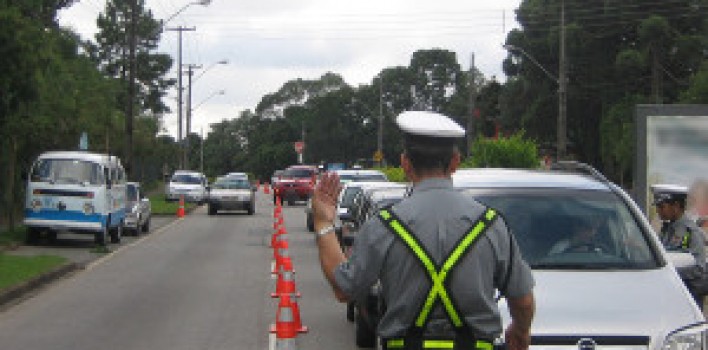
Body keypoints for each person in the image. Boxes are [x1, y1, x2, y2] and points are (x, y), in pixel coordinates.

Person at [312, 111, 536, 350]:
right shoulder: (492, 224)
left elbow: (344, 289)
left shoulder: (384, 224)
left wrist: (324, 223)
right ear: (455, 162)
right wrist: (520, 330)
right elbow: (522, 301)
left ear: (405, 163)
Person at [653, 184, 708, 309]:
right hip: (670, 294)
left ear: (676, 206)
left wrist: (670, 272)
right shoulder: (666, 229)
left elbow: (699, 267)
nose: (658, 211)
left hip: (688, 297)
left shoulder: (691, 232)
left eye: (662, 207)